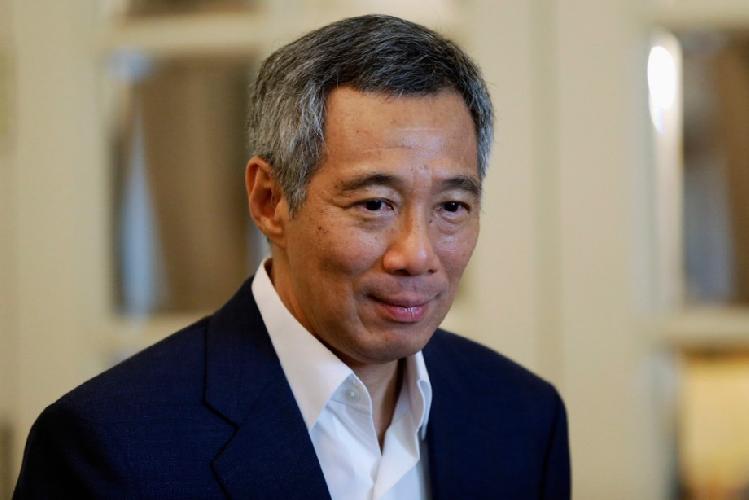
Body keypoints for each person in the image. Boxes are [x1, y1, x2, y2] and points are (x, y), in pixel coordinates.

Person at [14, 14, 570, 499]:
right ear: (270, 201)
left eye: (451, 206)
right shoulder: (110, 445)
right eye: (375, 204)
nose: (417, 254)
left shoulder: (523, 417)